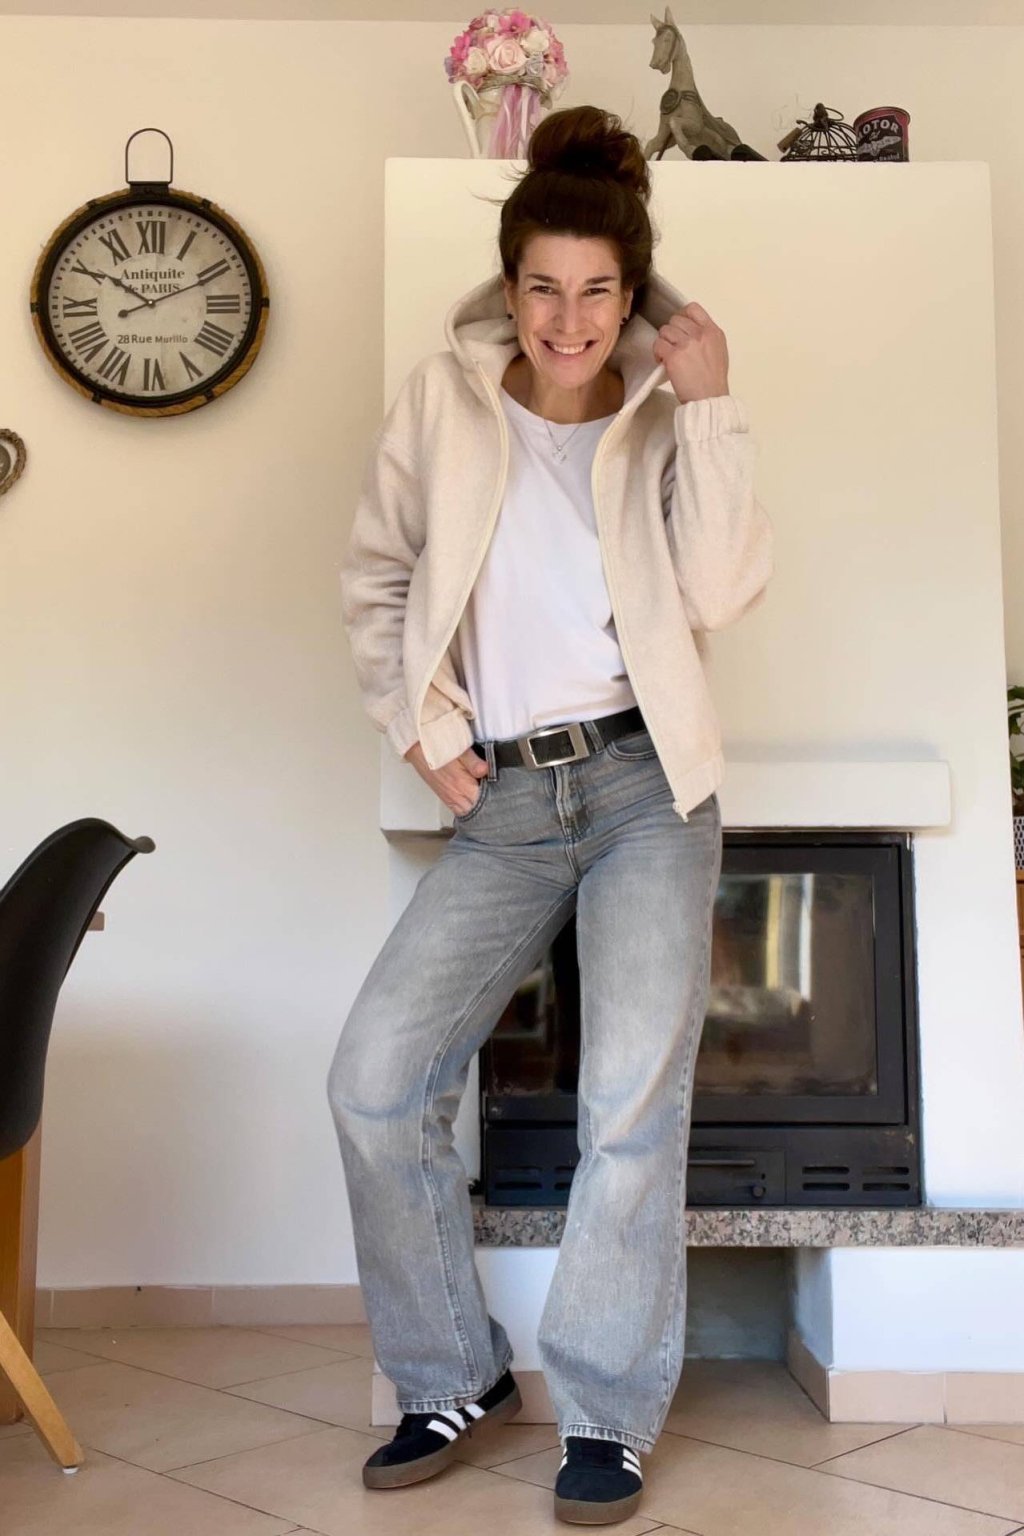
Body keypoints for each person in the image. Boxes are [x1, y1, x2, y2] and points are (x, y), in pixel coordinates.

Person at [328, 103, 773, 1527]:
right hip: (509, 795)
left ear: (630, 294)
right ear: (508, 285)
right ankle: (451, 1374)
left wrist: (713, 405)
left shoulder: (665, 413)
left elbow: (720, 592)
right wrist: (420, 727)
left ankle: (606, 1413)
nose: (568, 321)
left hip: (648, 788)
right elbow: (379, 577)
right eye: (543, 287)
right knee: (376, 1078)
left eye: (597, 291)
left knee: (627, 1107)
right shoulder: (442, 401)